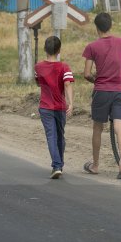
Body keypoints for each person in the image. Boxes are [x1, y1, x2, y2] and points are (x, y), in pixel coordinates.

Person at [82, 12, 121, 179]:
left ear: (97, 28)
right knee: (119, 126)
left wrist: (96, 79)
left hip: (101, 91)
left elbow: (86, 74)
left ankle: (95, 165)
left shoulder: (91, 47)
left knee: (97, 127)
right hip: (120, 91)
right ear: (110, 26)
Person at [34, 36, 74, 179]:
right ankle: (59, 164)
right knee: (60, 136)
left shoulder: (38, 67)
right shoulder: (64, 67)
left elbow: (38, 82)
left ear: (45, 49)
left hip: (45, 106)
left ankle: (57, 166)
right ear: (59, 50)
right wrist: (70, 102)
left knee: (51, 135)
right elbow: (68, 84)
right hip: (60, 107)